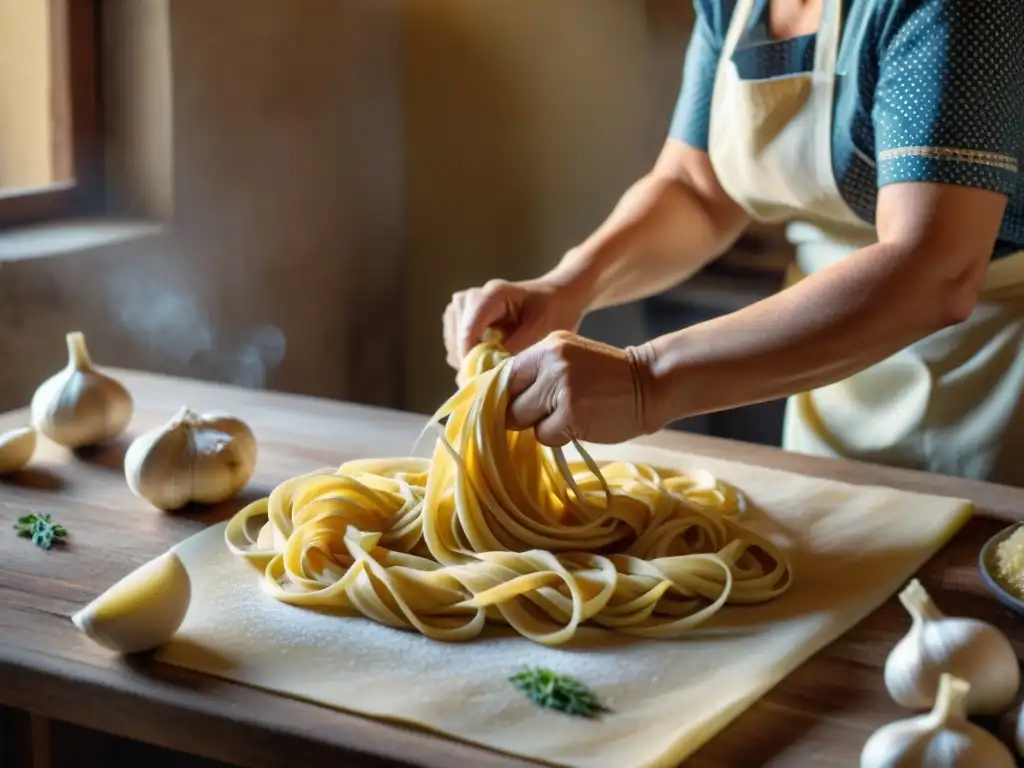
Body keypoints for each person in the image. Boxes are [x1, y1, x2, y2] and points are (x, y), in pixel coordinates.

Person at [442, 0, 1024, 486]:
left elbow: (934, 269)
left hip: (993, 387)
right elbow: (696, 189)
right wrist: (568, 285)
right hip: (833, 363)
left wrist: (648, 382)